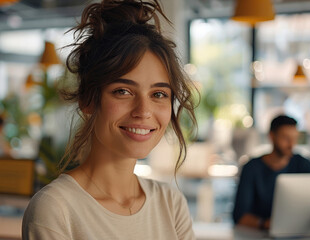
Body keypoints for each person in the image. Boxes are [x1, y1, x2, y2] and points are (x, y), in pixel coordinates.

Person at [22, 0, 197, 239]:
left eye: (158, 94)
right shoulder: (55, 208)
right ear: (87, 99)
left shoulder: (171, 204)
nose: (143, 111)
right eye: (123, 91)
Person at [232, 115, 310, 230]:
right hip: (259, 234)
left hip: (299, 232)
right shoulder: (251, 167)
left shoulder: (303, 164)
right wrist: (267, 224)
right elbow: (240, 216)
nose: (291, 145)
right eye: (286, 138)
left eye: (295, 138)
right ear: (271, 136)